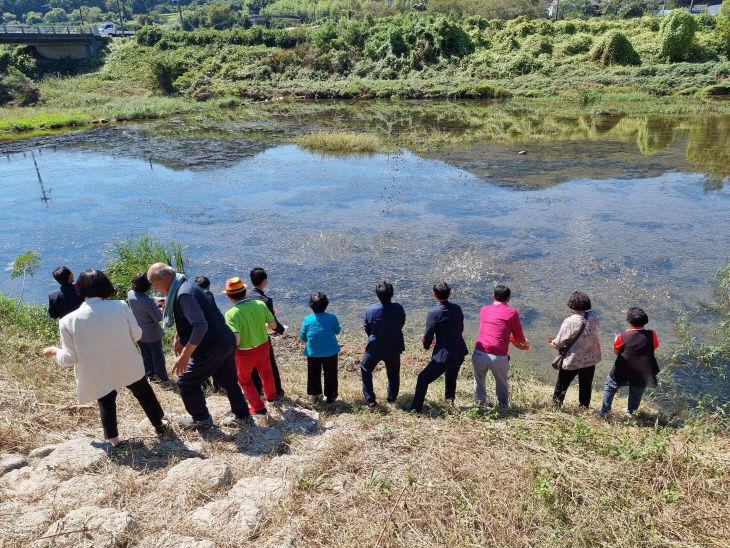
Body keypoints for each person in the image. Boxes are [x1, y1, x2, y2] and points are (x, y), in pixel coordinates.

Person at [41, 270, 168, 447]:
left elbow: (71, 358)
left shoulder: (68, 321)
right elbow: (137, 334)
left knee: (106, 401)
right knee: (144, 392)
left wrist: (55, 351)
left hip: (96, 370)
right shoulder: (121, 306)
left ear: (80, 288)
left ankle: (114, 441)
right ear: (106, 287)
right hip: (127, 362)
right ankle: (160, 425)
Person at [147, 262, 252, 429]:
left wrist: (185, 355)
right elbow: (193, 318)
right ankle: (243, 416)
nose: (155, 288)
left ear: (167, 278)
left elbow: (200, 326)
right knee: (229, 381)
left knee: (186, 382)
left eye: (155, 283)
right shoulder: (186, 284)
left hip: (211, 346)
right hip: (225, 340)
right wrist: (178, 337)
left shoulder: (183, 294)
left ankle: (201, 419)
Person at [403, 282, 468, 413]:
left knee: (422, 379)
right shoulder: (457, 308)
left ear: (434, 295)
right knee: (451, 379)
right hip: (459, 352)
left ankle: (415, 408)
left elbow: (428, 335)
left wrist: (427, 345)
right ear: (450, 294)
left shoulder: (434, 312)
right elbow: (460, 329)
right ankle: (449, 403)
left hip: (443, 356)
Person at [222, 277, 278, 417]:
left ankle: (259, 408)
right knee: (267, 373)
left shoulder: (231, 314)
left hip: (245, 352)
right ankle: (271, 399)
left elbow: (236, 339)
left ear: (229, 296)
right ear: (245, 291)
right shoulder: (260, 304)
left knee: (244, 380)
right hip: (264, 346)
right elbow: (274, 325)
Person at [471, 285, 529, 408]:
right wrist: (525, 342)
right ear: (508, 299)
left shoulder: (484, 309)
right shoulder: (512, 312)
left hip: (479, 353)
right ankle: (503, 406)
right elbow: (519, 338)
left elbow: (495, 328)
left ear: (493, 296)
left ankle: (480, 404)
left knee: (479, 380)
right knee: (502, 383)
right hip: (498, 357)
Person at [599, 307, 659, 417]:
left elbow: (616, 352)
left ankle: (605, 410)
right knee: (636, 393)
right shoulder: (652, 334)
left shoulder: (621, 336)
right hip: (642, 372)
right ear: (645, 321)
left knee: (610, 386)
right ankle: (630, 412)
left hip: (622, 370)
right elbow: (654, 346)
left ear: (629, 321)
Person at [548, 291, 602, 408]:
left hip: (572, 360)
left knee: (561, 386)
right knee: (586, 385)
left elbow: (558, 343)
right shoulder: (593, 316)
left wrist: (552, 343)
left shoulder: (570, 321)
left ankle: (556, 407)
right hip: (590, 359)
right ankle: (583, 407)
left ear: (571, 305)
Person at [360, 281, 406, 407]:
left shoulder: (370, 310)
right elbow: (401, 323)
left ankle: (370, 399)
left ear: (377, 295)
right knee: (393, 373)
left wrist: (375, 336)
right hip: (394, 345)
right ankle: (391, 398)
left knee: (365, 368)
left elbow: (367, 328)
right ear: (392, 294)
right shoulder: (399, 308)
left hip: (375, 346)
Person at [248, 267, 286, 398]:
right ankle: (277, 391)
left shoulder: (244, 296)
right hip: (261, 337)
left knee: (251, 366)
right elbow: (273, 323)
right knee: (270, 365)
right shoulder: (265, 300)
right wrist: (282, 330)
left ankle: (258, 391)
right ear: (265, 281)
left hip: (246, 337)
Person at [127, 272, 169, 382]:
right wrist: (161, 309)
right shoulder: (148, 301)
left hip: (138, 330)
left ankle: (149, 374)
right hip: (151, 333)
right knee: (158, 356)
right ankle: (162, 377)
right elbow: (157, 319)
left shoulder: (130, 293)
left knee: (145, 354)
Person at [300, 292, 341, 403]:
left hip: (313, 352)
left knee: (313, 373)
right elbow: (338, 330)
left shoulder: (307, 320)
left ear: (311, 306)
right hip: (331, 352)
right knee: (331, 373)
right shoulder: (332, 317)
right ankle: (331, 395)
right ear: (326, 305)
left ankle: (315, 393)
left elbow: (303, 337)